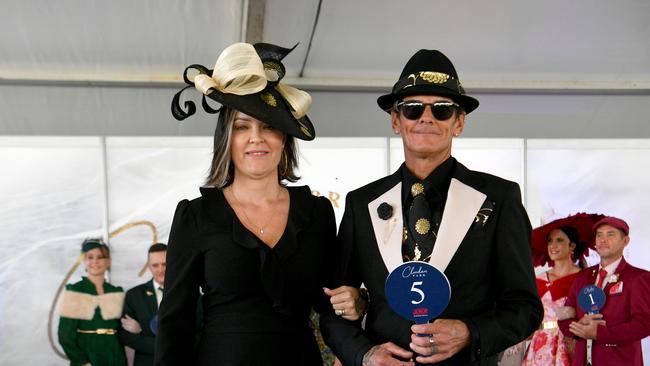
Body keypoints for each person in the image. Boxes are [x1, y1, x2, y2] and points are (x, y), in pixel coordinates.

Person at [320, 48, 543, 366]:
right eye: (412, 109)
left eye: (442, 110)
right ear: (396, 120)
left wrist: (469, 332)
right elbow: (334, 308)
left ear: (459, 122)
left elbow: (525, 308)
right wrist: (365, 355)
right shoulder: (361, 203)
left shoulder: (499, 197)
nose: (426, 117)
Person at [155, 42, 364, 366]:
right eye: (242, 127)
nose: (256, 137)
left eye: (269, 125)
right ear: (227, 138)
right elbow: (174, 322)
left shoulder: (316, 213)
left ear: (284, 138)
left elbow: (331, 303)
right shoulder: (196, 216)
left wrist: (357, 301)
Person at [522, 213, 604, 365]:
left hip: (571, 343)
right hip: (540, 346)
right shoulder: (537, 280)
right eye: (550, 241)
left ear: (572, 246)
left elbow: (595, 314)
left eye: (559, 240)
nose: (553, 246)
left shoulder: (585, 279)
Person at [567, 216, 650, 366]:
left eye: (610, 234)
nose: (603, 240)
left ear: (626, 241)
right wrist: (578, 327)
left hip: (619, 361)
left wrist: (600, 333)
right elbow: (566, 313)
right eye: (599, 235)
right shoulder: (582, 276)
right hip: (581, 360)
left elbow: (645, 323)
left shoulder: (639, 277)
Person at [58, 238, 127, 366]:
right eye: (90, 257)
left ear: (108, 262)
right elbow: (65, 335)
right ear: (84, 261)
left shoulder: (116, 292)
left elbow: (122, 330)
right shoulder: (76, 290)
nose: (95, 261)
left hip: (115, 356)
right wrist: (82, 362)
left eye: (100, 257)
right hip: (88, 356)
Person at [119, 243, 167, 366]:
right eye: (155, 265)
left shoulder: (187, 292)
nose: (161, 270)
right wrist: (167, 347)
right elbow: (126, 336)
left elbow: (198, 331)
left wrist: (142, 331)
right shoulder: (134, 295)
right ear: (149, 267)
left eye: (165, 264)